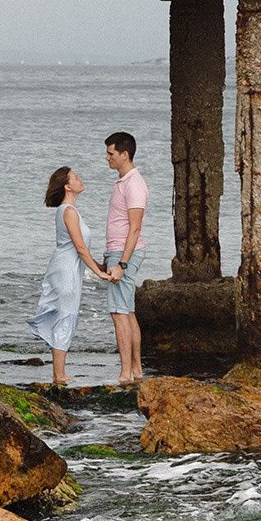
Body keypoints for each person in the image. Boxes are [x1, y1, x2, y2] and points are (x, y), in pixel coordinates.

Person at [27, 165, 109, 387]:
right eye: (75, 177)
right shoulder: (68, 211)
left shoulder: (69, 210)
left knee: (65, 315)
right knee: (66, 315)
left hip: (67, 268)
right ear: (67, 187)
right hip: (65, 270)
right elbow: (80, 248)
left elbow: (81, 249)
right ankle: (59, 375)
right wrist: (99, 272)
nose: (80, 179)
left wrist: (99, 264)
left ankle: (59, 373)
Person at [100, 131, 147, 384]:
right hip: (117, 252)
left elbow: (135, 227)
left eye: (111, 154)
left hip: (124, 253)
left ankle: (126, 373)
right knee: (127, 312)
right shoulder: (124, 181)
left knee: (119, 313)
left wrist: (121, 264)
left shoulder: (134, 184)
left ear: (124, 155)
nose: (107, 158)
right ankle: (136, 370)